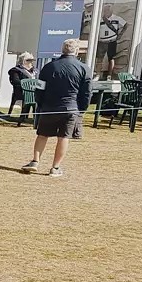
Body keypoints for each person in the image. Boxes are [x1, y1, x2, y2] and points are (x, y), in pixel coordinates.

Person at [21, 38, 91, 178]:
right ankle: (55, 167)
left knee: (42, 134)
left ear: (62, 50)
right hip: (71, 108)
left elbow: (40, 88)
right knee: (64, 137)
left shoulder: (49, 67)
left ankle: (35, 161)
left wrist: (40, 104)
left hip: (49, 107)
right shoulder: (84, 68)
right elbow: (87, 92)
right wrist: (82, 109)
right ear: (76, 51)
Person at [97, 3, 127, 79]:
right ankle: (98, 74)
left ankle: (109, 75)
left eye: (108, 10)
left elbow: (125, 25)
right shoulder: (99, 19)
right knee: (99, 58)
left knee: (111, 58)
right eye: (105, 10)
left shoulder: (117, 18)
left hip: (112, 40)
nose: (107, 11)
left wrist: (120, 35)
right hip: (102, 41)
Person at [7, 52, 36, 122]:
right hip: (20, 91)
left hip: (33, 92)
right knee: (31, 97)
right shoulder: (15, 70)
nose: (30, 62)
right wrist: (27, 85)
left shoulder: (34, 71)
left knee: (39, 97)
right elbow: (15, 81)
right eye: (28, 60)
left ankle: (36, 119)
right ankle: (22, 117)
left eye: (31, 60)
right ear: (23, 61)